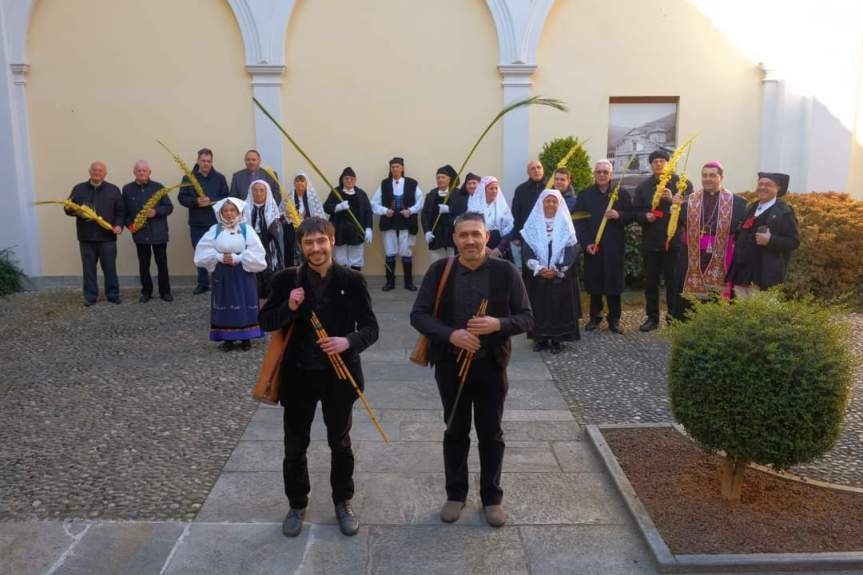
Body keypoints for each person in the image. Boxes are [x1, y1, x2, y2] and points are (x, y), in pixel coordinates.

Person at [410, 212, 534, 528]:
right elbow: (419, 315)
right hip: (450, 365)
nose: (470, 241)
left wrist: (499, 324)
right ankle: (456, 494)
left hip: (491, 365)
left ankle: (492, 498)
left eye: (475, 234)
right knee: (455, 429)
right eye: (463, 235)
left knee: (491, 432)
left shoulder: (505, 271)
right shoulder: (440, 270)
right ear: (454, 239)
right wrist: (452, 334)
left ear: (486, 237)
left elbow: (527, 317)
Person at [259, 217, 379, 538]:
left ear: (332, 241)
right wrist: (290, 305)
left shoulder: (352, 280)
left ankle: (343, 501)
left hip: (339, 378)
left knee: (340, 442)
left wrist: (347, 342)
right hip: (297, 377)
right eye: (309, 243)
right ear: (301, 246)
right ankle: (297, 504)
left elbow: (371, 328)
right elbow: (267, 320)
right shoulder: (286, 279)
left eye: (321, 241)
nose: (316, 248)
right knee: (295, 445)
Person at [673, 161, 747, 317]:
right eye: (704, 175)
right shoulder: (689, 201)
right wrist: (674, 209)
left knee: (714, 298)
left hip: (720, 257)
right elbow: (677, 225)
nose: (707, 179)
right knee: (688, 300)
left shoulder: (738, 203)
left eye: (712, 175)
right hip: (691, 257)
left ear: (721, 177)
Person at [193, 197, 266, 351]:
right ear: (221, 212)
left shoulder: (247, 229)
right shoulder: (215, 229)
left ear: (238, 211)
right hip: (222, 273)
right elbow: (202, 251)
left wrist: (239, 258)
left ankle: (246, 338)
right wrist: (218, 257)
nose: (229, 213)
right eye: (225, 210)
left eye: (232, 210)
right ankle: (228, 339)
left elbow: (258, 252)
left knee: (245, 302)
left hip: (243, 273)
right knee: (224, 303)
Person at [632, 149, 693, 331]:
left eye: (662, 160)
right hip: (651, 242)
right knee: (651, 283)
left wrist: (673, 201)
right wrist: (645, 216)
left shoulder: (682, 184)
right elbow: (636, 212)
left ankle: (673, 318)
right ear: (651, 165)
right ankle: (652, 318)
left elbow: (691, 213)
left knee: (673, 283)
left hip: (674, 243)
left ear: (669, 163)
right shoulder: (643, 187)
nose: (658, 164)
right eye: (655, 161)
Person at [574, 160, 635, 334]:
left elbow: (631, 216)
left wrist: (619, 214)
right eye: (598, 172)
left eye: (605, 172)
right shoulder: (585, 195)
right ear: (594, 174)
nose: (601, 175)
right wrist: (586, 244)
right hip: (593, 247)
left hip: (614, 246)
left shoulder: (620, 194)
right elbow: (579, 221)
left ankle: (614, 320)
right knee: (594, 284)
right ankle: (595, 317)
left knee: (614, 285)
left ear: (611, 174)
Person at [520, 189, 581, 353]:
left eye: (554, 201)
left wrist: (557, 269)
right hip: (538, 276)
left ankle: (556, 339)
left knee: (558, 306)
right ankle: (539, 339)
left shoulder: (566, 224)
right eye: (548, 201)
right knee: (538, 306)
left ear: (559, 204)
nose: (551, 204)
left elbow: (572, 250)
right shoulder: (532, 224)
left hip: (559, 276)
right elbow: (527, 249)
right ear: (541, 203)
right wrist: (538, 268)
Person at [727, 172, 800, 297]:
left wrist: (771, 240)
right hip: (742, 272)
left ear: (778, 188)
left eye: (768, 185)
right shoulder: (751, 207)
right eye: (760, 184)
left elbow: (793, 241)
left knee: (760, 313)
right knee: (739, 313)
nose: (762, 187)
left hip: (764, 275)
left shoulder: (784, 212)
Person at [66, 161, 125, 306]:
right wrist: (72, 209)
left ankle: (113, 295)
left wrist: (118, 225)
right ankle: (90, 297)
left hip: (107, 237)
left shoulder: (113, 190)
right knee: (88, 268)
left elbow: (121, 211)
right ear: (89, 171)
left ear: (105, 173)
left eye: (100, 170)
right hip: (86, 236)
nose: (97, 172)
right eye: (94, 170)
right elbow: (68, 208)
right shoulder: (78, 189)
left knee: (110, 267)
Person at [178, 148, 230, 295]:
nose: (206, 164)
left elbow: (226, 197)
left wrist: (211, 200)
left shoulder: (220, 178)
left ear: (212, 162)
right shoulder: (188, 178)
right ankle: (203, 283)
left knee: (218, 251)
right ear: (198, 161)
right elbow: (181, 198)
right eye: (203, 161)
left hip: (216, 222)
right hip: (197, 223)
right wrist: (195, 201)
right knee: (200, 252)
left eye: (209, 161)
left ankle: (218, 282)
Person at [122, 160, 173, 303]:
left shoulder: (159, 187)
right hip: (140, 233)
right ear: (134, 172)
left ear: (149, 172)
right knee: (143, 264)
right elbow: (124, 212)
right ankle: (146, 292)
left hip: (159, 233)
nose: (142, 173)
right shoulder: (127, 189)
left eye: (144, 170)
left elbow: (169, 207)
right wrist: (129, 225)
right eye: (139, 170)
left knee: (162, 264)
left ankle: (165, 292)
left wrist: (156, 212)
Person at [372, 157, 424, 291]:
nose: (395, 169)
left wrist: (411, 210)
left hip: (407, 222)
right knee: (390, 252)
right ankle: (390, 282)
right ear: (390, 169)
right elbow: (374, 202)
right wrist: (385, 211)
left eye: (397, 166)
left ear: (402, 168)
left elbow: (421, 201)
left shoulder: (412, 184)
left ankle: (408, 282)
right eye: (393, 167)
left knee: (406, 252)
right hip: (389, 223)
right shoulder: (384, 184)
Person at [323, 167, 374, 271]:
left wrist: (369, 228)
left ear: (355, 180)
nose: (349, 181)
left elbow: (368, 212)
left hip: (356, 232)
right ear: (342, 179)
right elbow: (326, 207)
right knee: (340, 260)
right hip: (339, 231)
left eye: (352, 179)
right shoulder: (336, 192)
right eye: (346, 178)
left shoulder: (361, 194)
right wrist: (338, 207)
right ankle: (341, 285)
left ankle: (354, 284)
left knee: (356, 260)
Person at [243, 179, 284, 302]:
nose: (258, 193)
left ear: (267, 193)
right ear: (251, 192)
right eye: (255, 190)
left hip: (269, 247)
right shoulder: (244, 210)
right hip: (250, 247)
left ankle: (270, 301)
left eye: (262, 190)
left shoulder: (272, 210)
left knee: (269, 272)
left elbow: (277, 234)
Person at [507, 160, 547, 268]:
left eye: (539, 167)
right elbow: (516, 214)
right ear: (528, 173)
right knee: (529, 270)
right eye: (532, 168)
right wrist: (516, 236)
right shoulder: (521, 190)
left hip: (548, 235)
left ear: (543, 170)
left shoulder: (551, 187)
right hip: (528, 237)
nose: (536, 170)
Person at [281, 171, 326, 267]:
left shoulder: (312, 198)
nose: (300, 183)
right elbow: (280, 214)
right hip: (291, 234)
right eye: (297, 181)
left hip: (309, 233)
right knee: (291, 258)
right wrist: (288, 217)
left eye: (302, 181)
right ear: (294, 183)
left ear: (306, 183)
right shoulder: (288, 198)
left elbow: (319, 216)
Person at [467, 176, 513, 258]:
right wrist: (484, 248)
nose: (494, 191)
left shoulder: (502, 207)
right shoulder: (474, 207)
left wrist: (499, 249)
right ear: (484, 191)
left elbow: (510, 228)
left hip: (500, 246)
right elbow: (470, 228)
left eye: (496, 188)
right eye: (491, 188)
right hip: (480, 243)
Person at [421, 164, 459, 263]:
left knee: (452, 265)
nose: (440, 180)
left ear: (449, 179)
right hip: (436, 236)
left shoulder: (457, 194)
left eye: (443, 177)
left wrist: (450, 209)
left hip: (452, 237)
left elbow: (463, 211)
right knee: (436, 265)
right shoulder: (431, 195)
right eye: (438, 178)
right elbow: (424, 214)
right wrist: (427, 231)